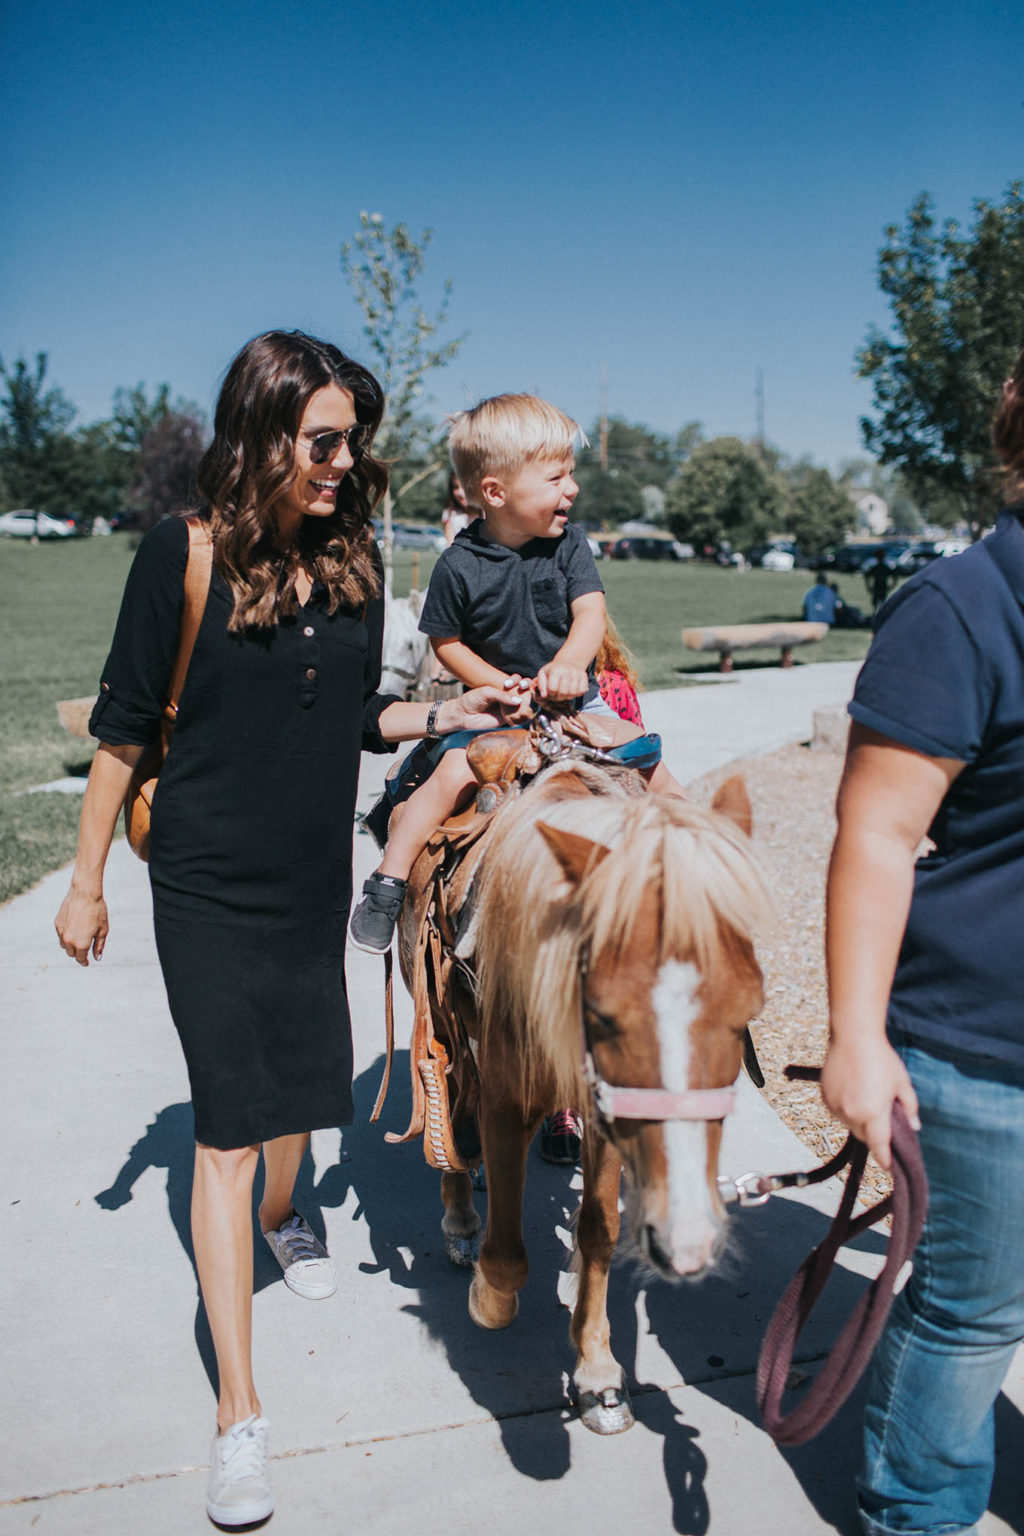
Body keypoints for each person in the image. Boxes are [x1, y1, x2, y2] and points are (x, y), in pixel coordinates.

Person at [53, 331, 515, 1530]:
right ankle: (239, 1416)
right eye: (324, 439)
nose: (344, 459)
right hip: (205, 879)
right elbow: (118, 732)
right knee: (228, 1122)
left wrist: (447, 707)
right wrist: (87, 880)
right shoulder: (183, 554)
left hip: (313, 872)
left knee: (300, 1102)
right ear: (260, 436)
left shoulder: (357, 561)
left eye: (352, 439)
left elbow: (359, 712)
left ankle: (287, 1211)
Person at [820, 346, 1024, 1536]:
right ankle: (917, 1515)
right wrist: (854, 1038)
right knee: (967, 1313)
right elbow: (876, 836)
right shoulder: (958, 610)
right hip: (980, 1053)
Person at [348, 393, 685, 955]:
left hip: (576, 703)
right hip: (497, 709)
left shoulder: (571, 545)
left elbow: (590, 613)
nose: (571, 489)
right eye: (555, 478)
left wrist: (571, 667)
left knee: (647, 759)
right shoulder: (458, 563)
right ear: (496, 493)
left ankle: (695, 857)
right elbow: (446, 641)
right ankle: (388, 880)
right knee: (449, 777)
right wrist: (491, 684)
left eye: (570, 474)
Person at [440, 469, 477, 544]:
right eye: (456, 487)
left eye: (464, 487)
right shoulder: (450, 514)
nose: (460, 493)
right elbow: (450, 544)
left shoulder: (486, 513)